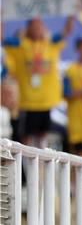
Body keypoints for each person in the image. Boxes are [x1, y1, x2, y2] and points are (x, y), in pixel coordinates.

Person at [2, 15, 74, 147]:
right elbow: (2, 38)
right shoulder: (20, 45)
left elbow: (65, 32)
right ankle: (25, 166)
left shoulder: (50, 43)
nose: (37, 29)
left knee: (42, 136)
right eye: (33, 26)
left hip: (46, 101)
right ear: (27, 29)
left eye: (39, 26)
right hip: (26, 102)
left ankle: (39, 166)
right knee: (25, 138)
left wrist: (71, 14)